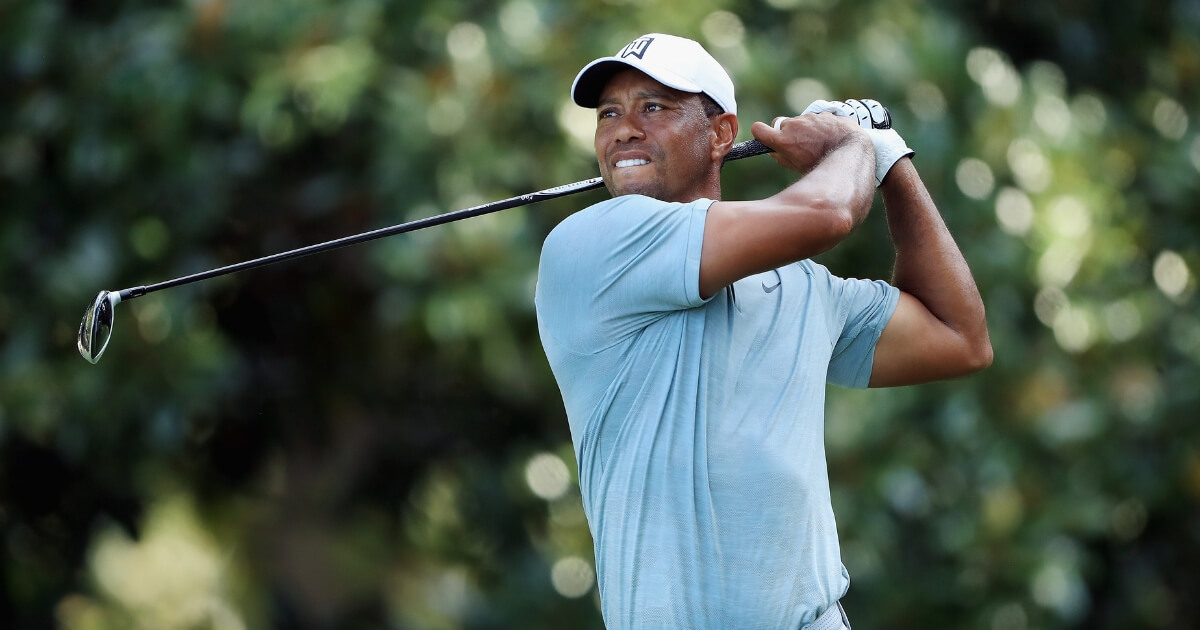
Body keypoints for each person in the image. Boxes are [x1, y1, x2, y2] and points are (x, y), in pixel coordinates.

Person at [534, 33, 992, 629]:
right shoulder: (588, 246)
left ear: (722, 134)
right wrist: (859, 145)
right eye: (609, 114)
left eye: (654, 108)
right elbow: (828, 213)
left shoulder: (800, 286)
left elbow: (960, 337)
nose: (623, 130)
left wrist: (891, 162)